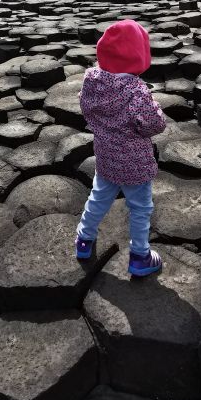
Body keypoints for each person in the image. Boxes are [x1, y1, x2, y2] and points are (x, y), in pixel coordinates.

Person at [75, 20, 166, 277]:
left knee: (99, 197)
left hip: (105, 155)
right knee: (140, 208)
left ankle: (84, 240)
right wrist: (157, 110)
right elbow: (153, 123)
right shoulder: (135, 90)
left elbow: (85, 107)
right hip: (134, 160)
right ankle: (140, 256)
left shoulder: (92, 81)